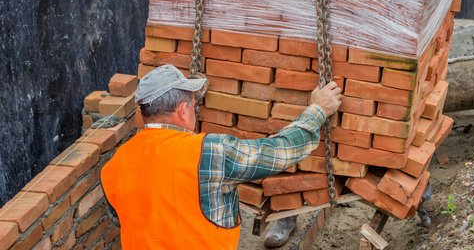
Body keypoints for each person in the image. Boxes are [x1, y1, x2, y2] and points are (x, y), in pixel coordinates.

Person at [101, 64, 342, 249]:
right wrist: (317, 110)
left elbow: (121, 218)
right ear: (183, 111)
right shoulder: (208, 151)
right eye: (193, 104)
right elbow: (279, 151)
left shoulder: (115, 164)